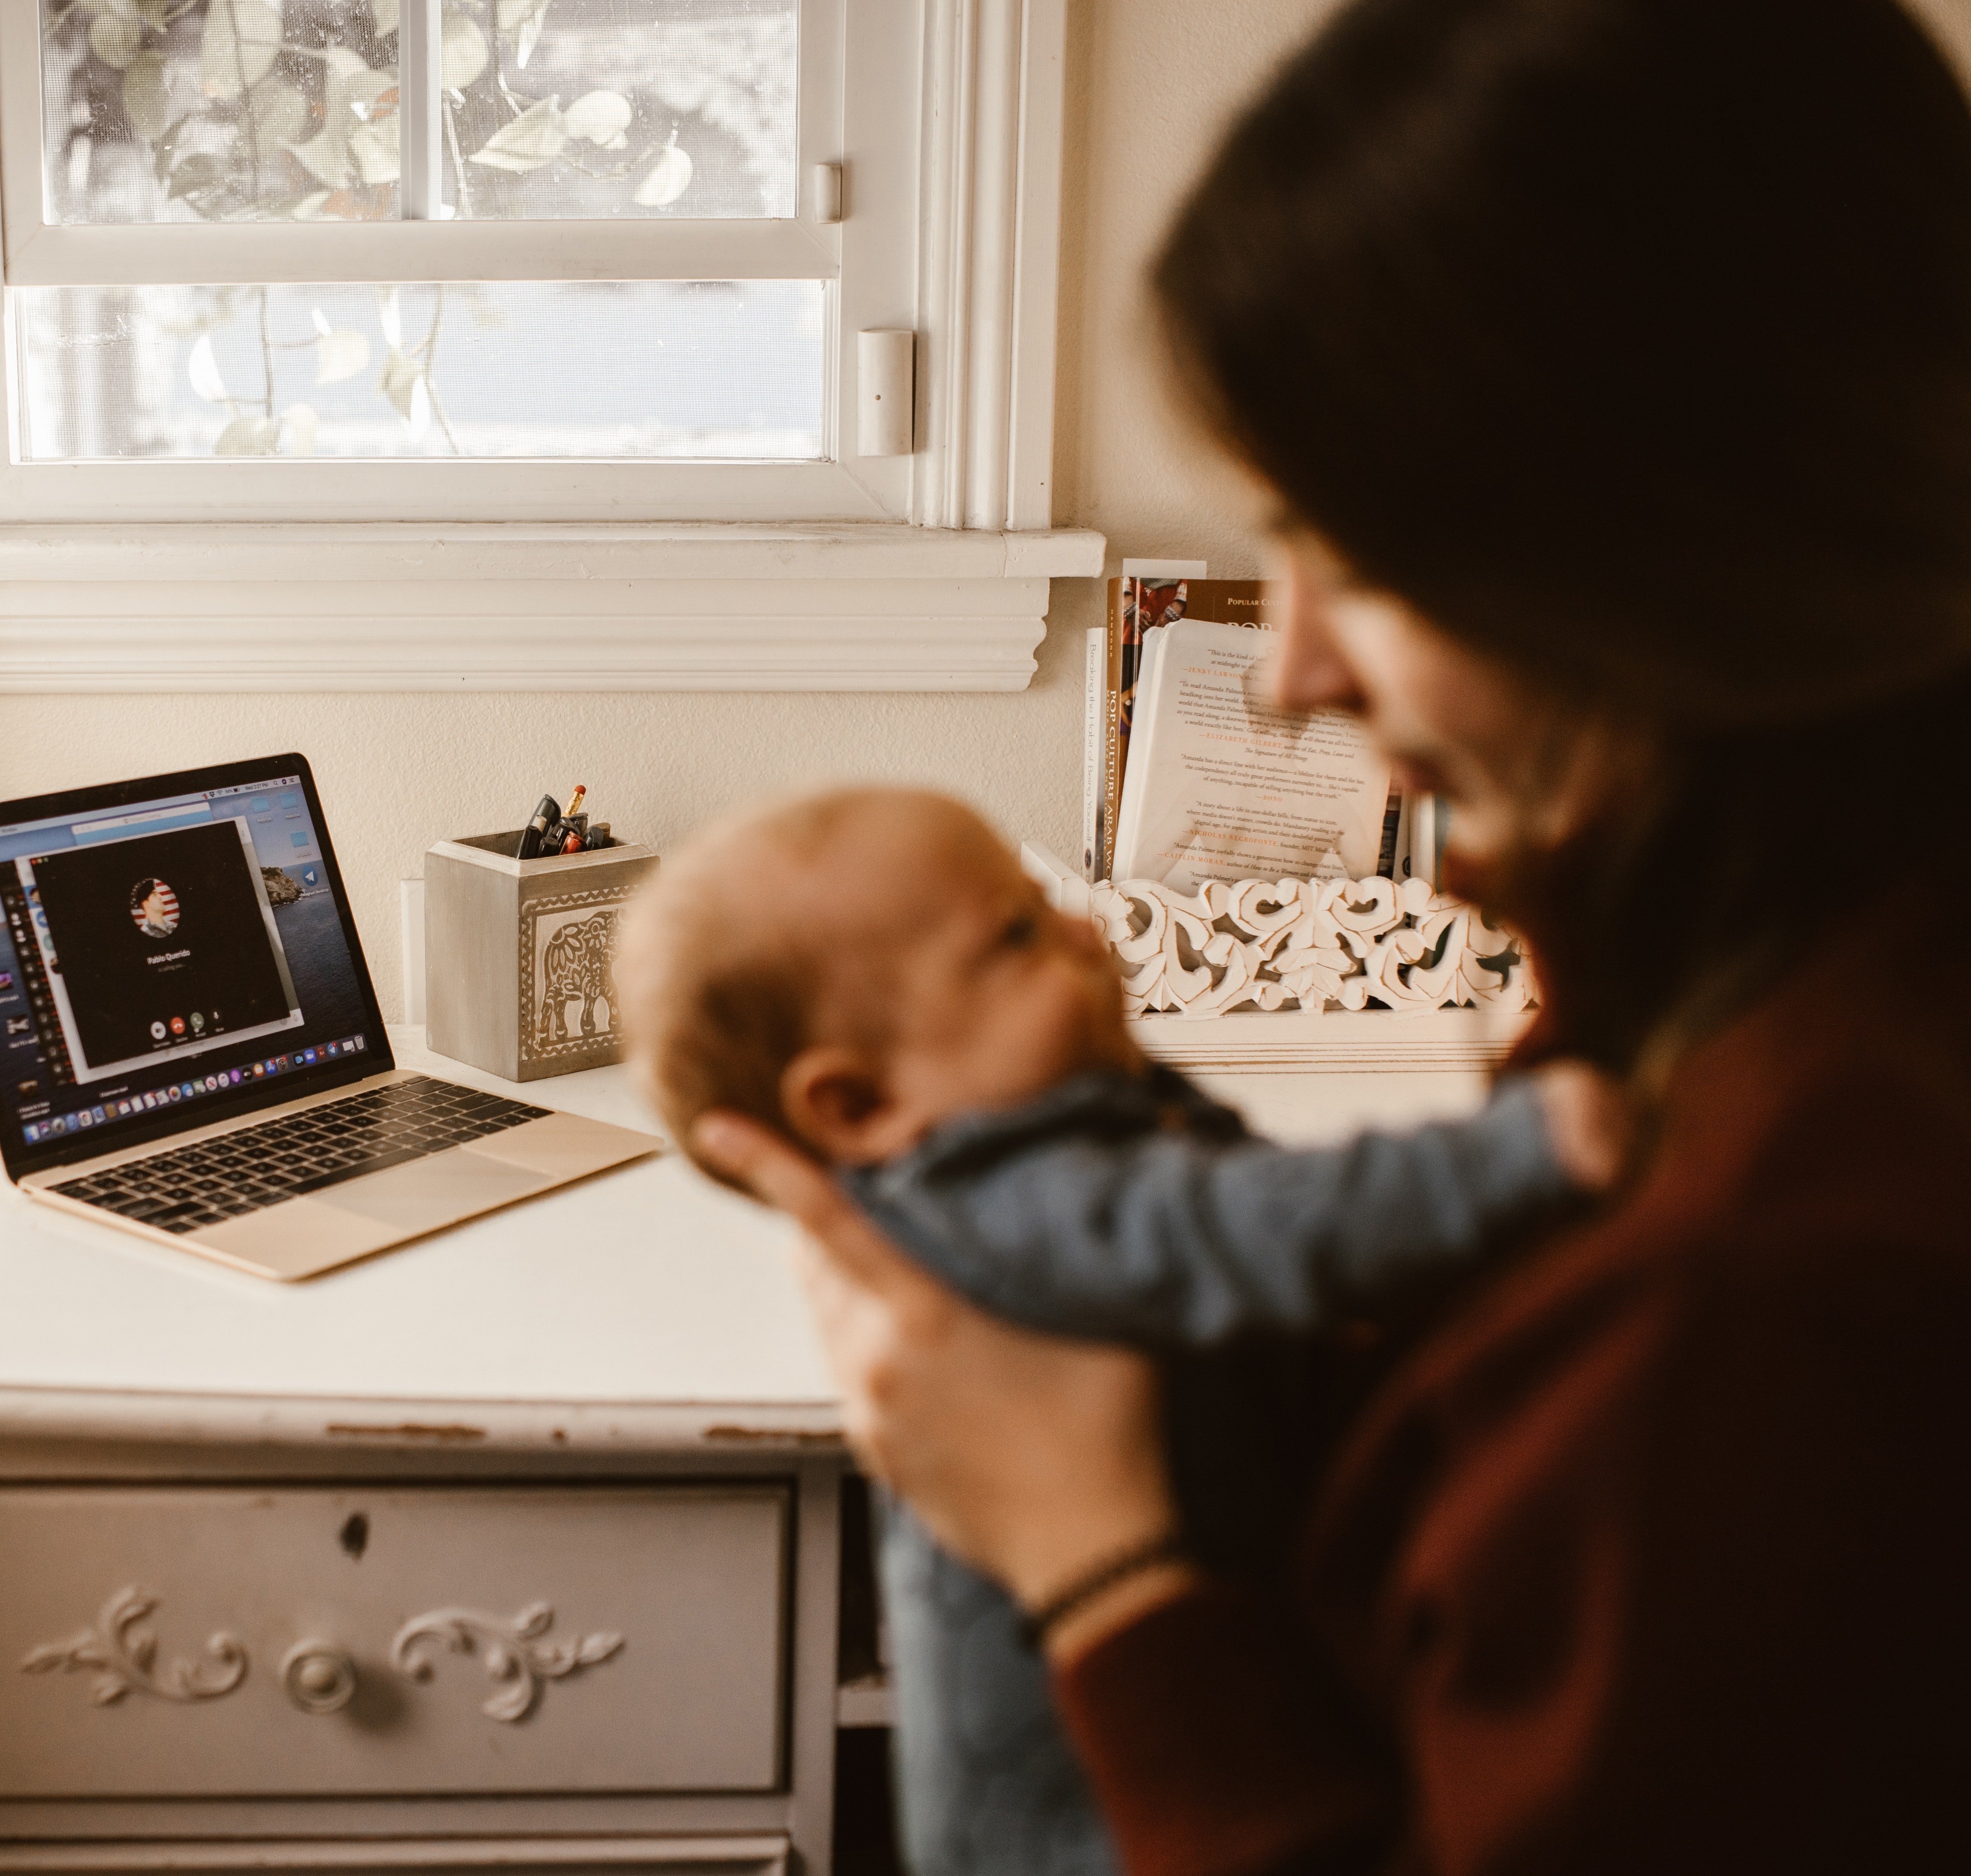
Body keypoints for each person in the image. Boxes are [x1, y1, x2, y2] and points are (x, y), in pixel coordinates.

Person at [691, 0, 1971, 1869]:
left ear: (1671, 540)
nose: (1281, 674)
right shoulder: (1759, 966)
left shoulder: (1775, 1276)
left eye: (1348, 560)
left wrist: (1090, 1551)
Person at [616, 787, 1618, 1876]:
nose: (1086, 932)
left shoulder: (1041, 1135)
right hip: (1097, 1814)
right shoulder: (995, 1195)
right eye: (1016, 937)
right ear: (859, 1107)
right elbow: (1253, 1223)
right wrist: (1526, 1151)